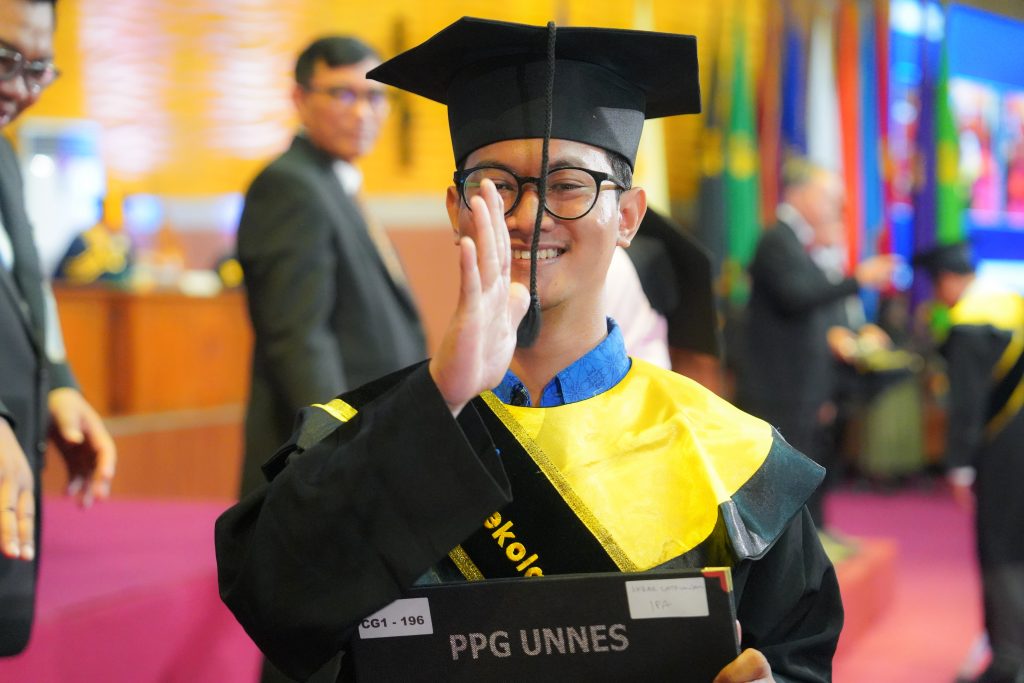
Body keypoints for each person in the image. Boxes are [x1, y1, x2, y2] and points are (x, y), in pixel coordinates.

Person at [216, 17, 843, 683]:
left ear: (628, 216)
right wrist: (441, 396)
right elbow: (274, 599)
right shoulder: (362, 436)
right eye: (495, 185)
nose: (528, 215)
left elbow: (795, 655)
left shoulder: (730, 457)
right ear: (457, 209)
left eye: (568, 184)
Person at [236, 36, 426, 499]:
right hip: (323, 464)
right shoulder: (289, 186)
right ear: (299, 98)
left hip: (368, 442)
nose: (361, 112)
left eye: (374, 96)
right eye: (342, 94)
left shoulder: (332, 183)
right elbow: (300, 338)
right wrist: (338, 446)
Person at [0, 0, 116, 655]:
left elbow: (25, 286)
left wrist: (59, 384)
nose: (21, 89)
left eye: (38, 68)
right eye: (3, 60)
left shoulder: (4, 156)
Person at [738, 158, 897, 529]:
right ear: (800, 194)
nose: (834, 208)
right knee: (779, 476)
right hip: (778, 386)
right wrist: (858, 279)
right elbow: (797, 295)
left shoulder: (796, 242)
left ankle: (809, 541)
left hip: (800, 385)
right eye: (828, 197)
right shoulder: (777, 239)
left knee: (805, 467)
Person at [913, 242, 1024, 683]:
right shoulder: (1009, 303)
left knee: (1000, 547)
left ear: (946, 281)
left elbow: (967, 403)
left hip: (1003, 449)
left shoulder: (971, 320)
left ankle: (1009, 659)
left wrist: (958, 464)